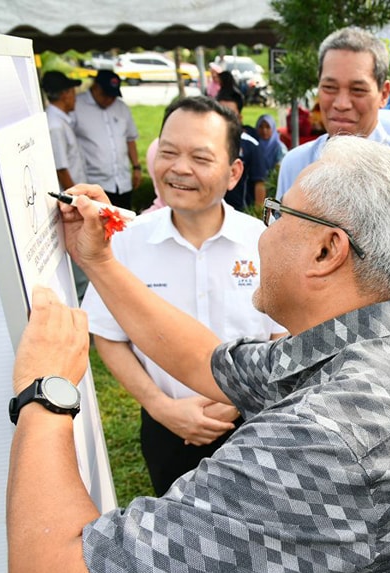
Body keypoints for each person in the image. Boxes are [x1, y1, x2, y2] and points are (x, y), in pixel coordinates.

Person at [7, 135, 390, 573]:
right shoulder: (376, 338)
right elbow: (205, 363)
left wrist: (47, 391)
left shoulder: (323, 442)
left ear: (325, 250)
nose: (263, 232)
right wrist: (100, 262)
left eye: (277, 213)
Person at [81, 95, 285, 500]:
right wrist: (161, 408)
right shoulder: (125, 242)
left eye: (200, 157)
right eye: (168, 152)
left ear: (233, 172)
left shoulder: (265, 243)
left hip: (256, 422)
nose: (179, 168)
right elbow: (107, 334)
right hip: (166, 426)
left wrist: (239, 402)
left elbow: (285, 336)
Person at [276, 26, 390, 355]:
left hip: (382, 360)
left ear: (384, 92)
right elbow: (282, 259)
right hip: (307, 352)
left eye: (358, 89)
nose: (341, 103)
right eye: (329, 87)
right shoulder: (296, 165)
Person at [41, 70, 89, 302]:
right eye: (72, 92)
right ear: (65, 94)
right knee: (78, 256)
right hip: (71, 200)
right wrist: (80, 201)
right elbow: (61, 168)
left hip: (74, 194)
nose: (75, 97)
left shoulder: (60, 120)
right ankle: (82, 300)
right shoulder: (55, 125)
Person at [73, 70, 141, 209]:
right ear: (95, 87)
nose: (109, 100)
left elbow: (130, 139)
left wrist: (136, 167)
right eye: (106, 95)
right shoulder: (76, 105)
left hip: (122, 182)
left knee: (124, 223)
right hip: (95, 183)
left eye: (113, 96)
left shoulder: (121, 107)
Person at [215, 88, 269, 210]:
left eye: (230, 114)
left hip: (241, 213)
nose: (224, 119)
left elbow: (259, 183)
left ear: (239, 117)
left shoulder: (251, 145)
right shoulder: (206, 142)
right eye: (220, 114)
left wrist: (258, 214)